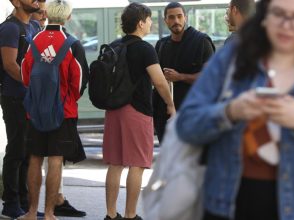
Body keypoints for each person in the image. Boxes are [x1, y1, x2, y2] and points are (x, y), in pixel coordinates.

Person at [176, 0, 294, 219]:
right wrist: (230, 111)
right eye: (279, 13)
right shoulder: (231, 59)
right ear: (265, 15)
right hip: (226, 204)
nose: (287, 25)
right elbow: (187, 125)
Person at [102, 3, 175, 220]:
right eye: (150, 19)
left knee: (115, 163)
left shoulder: (115, 45)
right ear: (141, 22)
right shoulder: (145, 49)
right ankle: (130, 215)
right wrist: (170, 104)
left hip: (113, 110)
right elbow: (160, 82)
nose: (152, 23)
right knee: (138, 164)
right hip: (137, 111)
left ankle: (110, 214)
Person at [19, 0, 89, 219]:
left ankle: (31, 212)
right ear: (68, 17)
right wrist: (67, 100)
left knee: (35, 158)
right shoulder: (72, 43)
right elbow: (79, 81)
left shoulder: (35, 40)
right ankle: (49, 213)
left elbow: (25, 75)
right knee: (56, 159)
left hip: (35, 111)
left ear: (46, 13)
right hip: (63, 112)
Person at [0, 0, 40, 218]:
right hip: (14, 97)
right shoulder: (10, 28)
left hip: (33, 98)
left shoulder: (34, 27)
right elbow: (9, 64)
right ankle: (10, 204)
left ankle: (26, 205)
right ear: (15, 2)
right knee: (17, 150)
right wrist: (32, 84)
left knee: (29, 152)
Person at [153, 2, 215, 143]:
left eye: (179, 16)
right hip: (165, 115)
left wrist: (179, 77)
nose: (176, 21)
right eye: (172, 17)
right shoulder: (161, 45)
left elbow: (209, 78)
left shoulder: (201, 41)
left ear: (185, 18)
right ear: (165, 21)